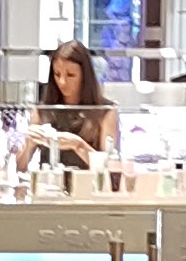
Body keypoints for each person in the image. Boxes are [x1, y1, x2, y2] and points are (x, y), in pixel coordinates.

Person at [20, 39, 117, 170]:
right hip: (49, 181)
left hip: (88, 182)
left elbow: (110, 168)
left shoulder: (106, 111)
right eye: (57, 74)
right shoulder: (43, 110)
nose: (62, 82)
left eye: (70, 75)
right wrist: (29, 143)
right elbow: (19, 168)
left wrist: (78, 145)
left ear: (85, 76)